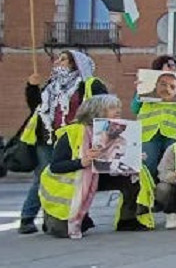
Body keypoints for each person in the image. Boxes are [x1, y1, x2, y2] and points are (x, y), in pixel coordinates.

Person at [39, 95, 155, 239]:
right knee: (62, 231)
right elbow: (56, 166)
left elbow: (117, 157)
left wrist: (133, 157)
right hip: (71, 184)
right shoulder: (73, 132)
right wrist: (81, 162)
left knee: (136, 175)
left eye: (118, 107)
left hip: (98, 175)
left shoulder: (119, 131)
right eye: (112, 108)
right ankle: (57, 219)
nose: (118, 111)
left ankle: (128, 219)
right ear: (96, 111)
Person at [19, 51, 108, 234]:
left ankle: (69, 217)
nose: (58, 62)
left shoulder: (88, 84)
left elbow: (103, 106)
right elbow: (36, 107)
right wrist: (32, 87)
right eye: (58, 59)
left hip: (74, 137)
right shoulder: (51, 85)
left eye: (63, 59)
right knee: (45, 175)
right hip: (48, 137)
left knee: (77, 177)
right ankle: (27, 218)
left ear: (76, 63)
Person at [133, 56, 176, 181]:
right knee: (148, 165)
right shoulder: (146, 89)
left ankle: (166, 192)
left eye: (175, 65)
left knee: (173, 166)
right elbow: (135, 108)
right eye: (169, 65)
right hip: (149, 134)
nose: (173, 68)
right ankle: (147, 191)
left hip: (174, 133)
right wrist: (138, 91)